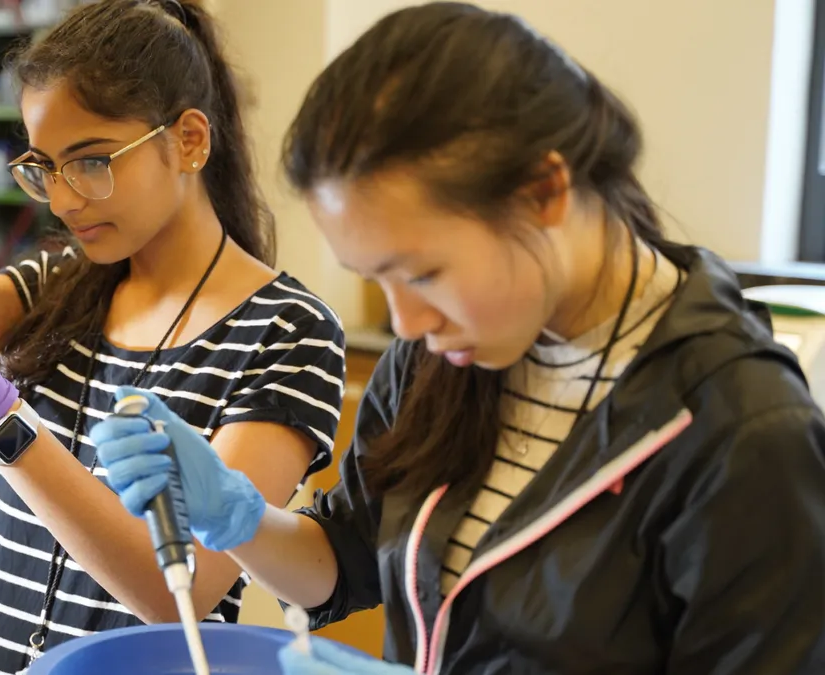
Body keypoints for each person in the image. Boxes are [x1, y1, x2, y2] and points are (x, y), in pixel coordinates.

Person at [90, 2, 825, 674]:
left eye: (425, 271)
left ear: (545, 192)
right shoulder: (444, 355)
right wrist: (236, 514)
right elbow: (343, 564)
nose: (406, 322)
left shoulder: (744, 432)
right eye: (376, 278)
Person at [0, 0, 347, 672]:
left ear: (189, 139)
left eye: (91, 161)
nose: (64, 200)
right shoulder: (61, 284)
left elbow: (175, 587)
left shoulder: (287, 332)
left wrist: (3, 427)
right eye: (44, 166)